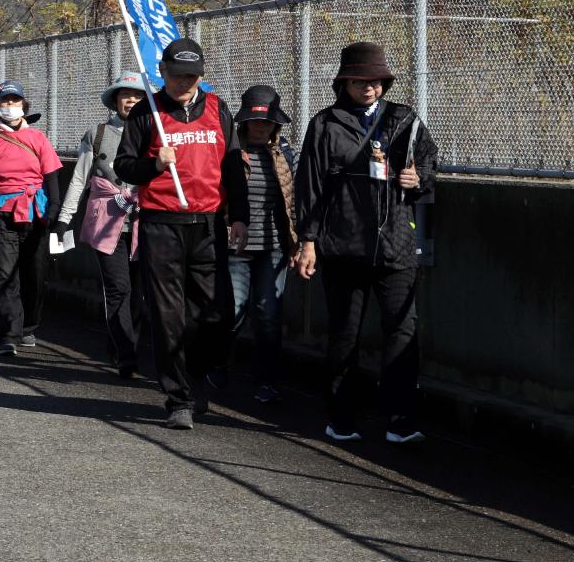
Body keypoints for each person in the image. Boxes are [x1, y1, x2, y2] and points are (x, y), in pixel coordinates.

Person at [293, 42, 437, 445]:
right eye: (360, 81)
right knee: (344, 334)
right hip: (342, 245)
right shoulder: (325, 123)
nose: (369, 88)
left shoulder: (404, 119)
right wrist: (308, 240)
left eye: (375, 80)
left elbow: (428, 161)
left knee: (403, 331)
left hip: (395, 243)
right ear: (344, 82)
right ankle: (341, 418)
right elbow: (309, 185)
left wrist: (417, 180)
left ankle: (401, 420)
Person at [114, 38, 237, 430]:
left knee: (215, 313)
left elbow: (234, 165)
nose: (186, 82)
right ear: (162, 73)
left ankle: (197, 377)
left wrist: (240, 217)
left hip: (209, 223)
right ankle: (178, 398)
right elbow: (124, 167)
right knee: (169, 315)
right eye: (178, 74)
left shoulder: (218, 109)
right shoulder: (145, 113)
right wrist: (154, 163)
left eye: (193, 75)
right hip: (162, 223)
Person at [55, 72, 150, 379]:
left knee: (140, 294)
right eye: (125, 95)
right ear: (115, 100)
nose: (131, 100)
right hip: (107, 224)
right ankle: (126, 354)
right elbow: (79, 179)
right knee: (118, 288)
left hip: (144, 223)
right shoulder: (96, 134)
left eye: (136, 95)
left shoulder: (153, 133)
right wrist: (64, 218)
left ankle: (122, 342)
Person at [0, 81, 66, 356]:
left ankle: (29, 325)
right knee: (3, 273)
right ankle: (8, 332)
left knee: (35, 273)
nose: (10, 107)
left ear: (24, 106)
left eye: (15, 101)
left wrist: (54, 211)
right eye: (5, 102)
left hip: (36, 214)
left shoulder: (39, 139)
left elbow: (52, 177)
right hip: (1, 214)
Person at [220, 85, 299, 403]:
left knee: (268, 313)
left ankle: (265, 379)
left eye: (267, 122)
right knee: (233, 311)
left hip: (275, 246)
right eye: (255, 121)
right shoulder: (230, 153)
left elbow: (294, 201)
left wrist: (298, 243)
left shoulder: (285, 155)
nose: (261, 126)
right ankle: (218, 365)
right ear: (245, 122)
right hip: (236, 247)